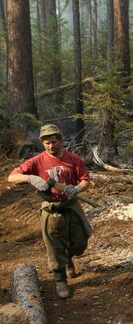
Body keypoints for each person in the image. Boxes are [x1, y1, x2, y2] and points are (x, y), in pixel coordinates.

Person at [8, 124, 92, 299]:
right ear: (42, 143)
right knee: (54, 246)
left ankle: (68, 258)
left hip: (71, 205)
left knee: (81, 242)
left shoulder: (72, 158)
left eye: (53, 142)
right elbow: (12, 177)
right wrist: (30, 178)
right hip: (50, 207)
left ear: (60, 140)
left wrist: (76, 189)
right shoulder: (37, 161)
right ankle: (60, 279)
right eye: (46, 143)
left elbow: (85, 180)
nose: (50, 146)